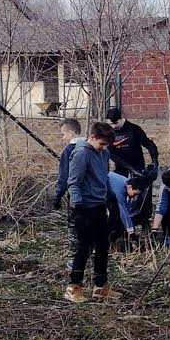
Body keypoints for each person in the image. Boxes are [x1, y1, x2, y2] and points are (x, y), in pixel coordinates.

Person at [64, 122, 122, 303]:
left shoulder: (103, 153)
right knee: (84, 247)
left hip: (99, 205)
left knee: (103, 246)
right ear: (93, 137)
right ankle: (73, 287)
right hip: (84, 206)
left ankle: (100, 286)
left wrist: (111, 199)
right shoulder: (81, 153)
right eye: (102, 144)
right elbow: (74, 182)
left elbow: (103, 178)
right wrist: (77, 209)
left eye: (107, 145)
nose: (104, 148)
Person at [106, 106, 159, 229]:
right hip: (121, 167)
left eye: (115, 123)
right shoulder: (109, 133)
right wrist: (128, 167)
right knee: (119, 194)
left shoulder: (134, 129)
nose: (113, 127)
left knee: (143, 193)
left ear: (121, 119)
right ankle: (120, 221)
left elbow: (149, 145)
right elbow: (112, 155)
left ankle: (144, 219)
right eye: (110, 124)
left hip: (137, 165)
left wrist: (155, 161)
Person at [54, 118, 85, 268]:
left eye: (63, 134)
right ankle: (89, 253)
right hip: (94, 196)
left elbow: (64, 175)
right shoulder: (91, 146)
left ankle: (74, 259)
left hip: (75, 196)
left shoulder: (69, 151)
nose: (62, 138)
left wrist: (59, 194)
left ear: (71, 133)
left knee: (73, 226)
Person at [106, 171, 146, 244]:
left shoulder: (127, 183)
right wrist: (131, 232)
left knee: (115, 213)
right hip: (100, 193)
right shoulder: (120, 189)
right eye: (135, 194)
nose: (135, 196)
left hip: (109, 193)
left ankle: (113, 236)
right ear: (130, 187)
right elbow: (123, 211)